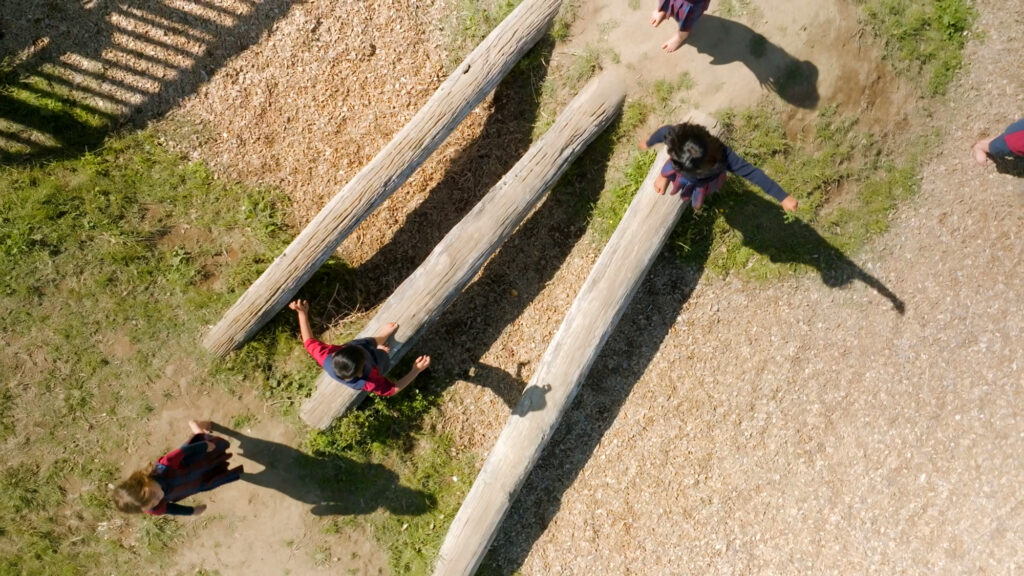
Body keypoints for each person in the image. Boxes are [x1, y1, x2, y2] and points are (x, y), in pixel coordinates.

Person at [639, 122, 799, 212]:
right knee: (672, 173)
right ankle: (665, 175)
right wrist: (648, 143)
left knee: (699, 196)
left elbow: (753, 173)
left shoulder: (726, 158)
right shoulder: (675, 138)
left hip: (705, 182)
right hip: (681, 172)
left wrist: (782, 197)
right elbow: (662, 132)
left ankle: (699, 189)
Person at [289, 299, 430, 396]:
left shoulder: (326, 357)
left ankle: (380, 337)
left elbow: (308, 342)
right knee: (381, 356)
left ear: (335, 354)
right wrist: (415, 371)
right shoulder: (369, 381)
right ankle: (381, 352)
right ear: (359, 373)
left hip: (357, 352)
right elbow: (392, 389)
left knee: (364, 343)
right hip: (375, 363)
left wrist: (302, 314)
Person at [114, 420, 242, 516]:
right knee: (216, 474)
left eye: (153, 494)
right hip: (198, 482)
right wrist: (192, 511)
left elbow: (184, 452)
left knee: (208, 442)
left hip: (195, 462)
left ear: (143, 481)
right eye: (153, 503)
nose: (158, 498)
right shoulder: (152, 508)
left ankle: (198, 429)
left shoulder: (165, 466)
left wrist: (203, 446)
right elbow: (171, 509)